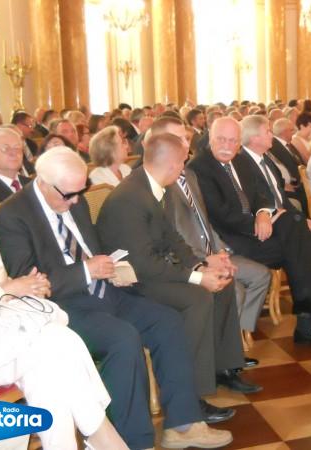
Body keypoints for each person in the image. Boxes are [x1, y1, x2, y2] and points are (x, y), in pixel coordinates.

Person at [0, 147, 232, 449]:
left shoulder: (74, 200)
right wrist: (86, 271)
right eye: (69, 195)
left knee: (167, 321)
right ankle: (133, 442)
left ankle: (183, 426)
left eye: (80, 192)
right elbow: (28, 282)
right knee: (122, 339)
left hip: (106, 291)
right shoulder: (12, 216)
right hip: (61, 309)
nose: (76, 201)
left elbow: (93, 247)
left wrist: (113, 267)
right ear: (42, 182)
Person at [0, 162, 129, 450]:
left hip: (10, 323)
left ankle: (82, 440)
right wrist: (5, 291)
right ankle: (100, 432)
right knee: (55, 344)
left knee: (50, 359)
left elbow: (2, 280)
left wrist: (27, 286)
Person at [96, 130, 261, 399]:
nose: (184, 168)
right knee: (197, 297)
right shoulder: (129, 198)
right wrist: (197, 278)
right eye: (183, 162)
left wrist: (201, 266)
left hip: (153, 269)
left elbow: (172, 237)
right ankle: (192, 391)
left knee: (222, 284)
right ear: (174, 165)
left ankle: (224, 368)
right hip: (132, 283)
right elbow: (143, 265)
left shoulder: (151, 185)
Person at [189, 117, 311, 348]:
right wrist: (257, 223)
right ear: (210, 138)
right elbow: (221, 215)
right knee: (300, 243)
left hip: (257, 232)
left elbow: (262, 196)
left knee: (299, 233)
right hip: (232, 241)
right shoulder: (199, 168)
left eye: (233, 141)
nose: (227, 146)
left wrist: (263, 214)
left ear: (239, 142)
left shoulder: (240, 161)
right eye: (221, 140)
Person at [148, 117, 270, 347]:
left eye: (186, 138)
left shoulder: (189, 175)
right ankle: (226, 349)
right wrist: (204, 261)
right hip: (189, 260)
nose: (187, 143)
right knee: (235, 290)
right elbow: (172, 240)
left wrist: (221, 252)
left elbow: (204, 222)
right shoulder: (161, 185)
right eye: (180, 139)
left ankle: (241, 335)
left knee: (261, 275)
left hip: (211, 250)